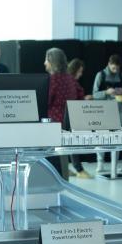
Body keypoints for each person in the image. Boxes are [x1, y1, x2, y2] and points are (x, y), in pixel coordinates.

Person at [44, 47, 88, 179]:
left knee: (53, 163)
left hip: (53, 125)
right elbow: (81, 96)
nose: (44, 63)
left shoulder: (52, 80)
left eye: (46, 60)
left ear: (52, 62)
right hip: (69, 123)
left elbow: (45, 101)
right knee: (64, 155)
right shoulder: (71, 79)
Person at [91, 55, 122, 172]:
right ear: (108, 64)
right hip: (102, 111)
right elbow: (94, 95)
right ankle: (100, 163)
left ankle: (115, 165)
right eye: (113, 68)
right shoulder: (100, 75)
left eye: (117, 68)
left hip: (118, 111)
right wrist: (106, 92)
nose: (115, 71)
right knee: (100, 138)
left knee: (117, 138)